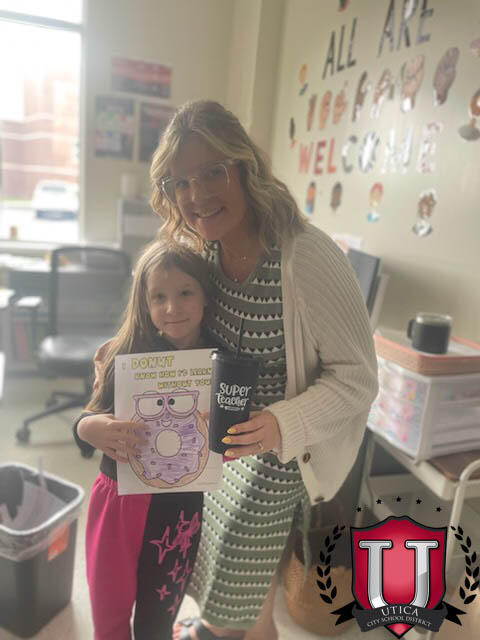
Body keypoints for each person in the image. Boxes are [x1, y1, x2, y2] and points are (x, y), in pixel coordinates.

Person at [149, 100, 379, 640]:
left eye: (212, 172)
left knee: (233, 573)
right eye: (181, 182)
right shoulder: (204, 254)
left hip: (283, 453)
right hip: (221, 440)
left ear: (245, 166)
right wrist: (121, 355)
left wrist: (280, 423)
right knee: (223, 573)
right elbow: (176, 323)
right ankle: (231, 626)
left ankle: (220, 629)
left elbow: (359, 378)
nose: (196, 195)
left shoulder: (306, 256)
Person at [73, 240, 216, 640]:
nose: (172, 308)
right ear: (145, 302)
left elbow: (230, 442)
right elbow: (85, 420)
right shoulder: (124, 355)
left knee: (157, 622)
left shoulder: (220, 361)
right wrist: (89, 428)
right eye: (159, 297)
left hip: (179, 511)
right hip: (118, 503)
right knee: (109, 616)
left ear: (206, 296)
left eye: (185, 292)